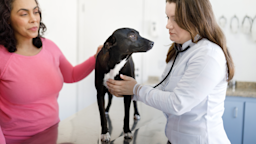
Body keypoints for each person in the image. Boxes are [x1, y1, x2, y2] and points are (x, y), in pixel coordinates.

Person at [107, 0, 234, 143]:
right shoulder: (180, 50)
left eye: (176, 19)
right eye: (168, 18)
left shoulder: (208, 54)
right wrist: (127, 91)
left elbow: (177, 104)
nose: (168, 25)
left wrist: (136, 89)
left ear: (195, 18)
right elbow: (163, 90)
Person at [0, 0, 102, 143]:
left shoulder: (49, 47)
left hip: (53, 135)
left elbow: (71, 75)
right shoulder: (2, 58)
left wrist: (96, 58)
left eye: (36, 11)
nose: (33, 19)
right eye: (24, 14)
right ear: (7, 19)